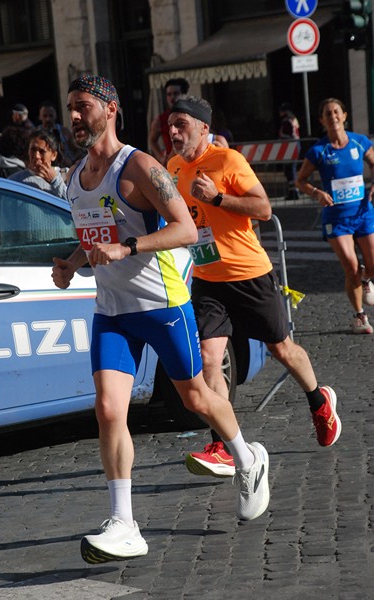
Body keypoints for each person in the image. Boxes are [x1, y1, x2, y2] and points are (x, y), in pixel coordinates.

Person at [51, 75, 270, 563]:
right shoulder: (73, 178)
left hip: (162, 306)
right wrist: (72, 262)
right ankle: (124, 522)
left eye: (82, 107)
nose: (74, 117)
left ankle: (246, 456)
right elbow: (96, 238)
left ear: (110, 110)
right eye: (69, 108)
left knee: (195, 397)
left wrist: (127, 247)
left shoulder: (143, 167)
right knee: (109, 410)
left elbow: (188, 229)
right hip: (112, 313)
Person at [167, 95, 341, 479]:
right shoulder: (174, 166)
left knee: (281, 348)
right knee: (211, 358)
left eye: (181, 124)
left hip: (248, 274)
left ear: (203, 129)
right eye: (171, 124)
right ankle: (223, 445)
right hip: (207, 278)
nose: (173, 131)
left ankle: (318, 400)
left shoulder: (228, 161)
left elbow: (263, 209)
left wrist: (217, 197)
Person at [296, 97, 374, 334]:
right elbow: (300, 180)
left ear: (344, 115)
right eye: (328, 113)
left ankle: (366, 279)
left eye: (336, 112)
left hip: (363, 213)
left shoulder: (359, 142)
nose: (333, 116)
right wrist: (317, 192)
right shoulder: (319, 150)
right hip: (336, 218)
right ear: (322, 120)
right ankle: (360, 317)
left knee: (371, 266)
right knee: (350, 266)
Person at [9, 129, 67, 199]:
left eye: (42, 151)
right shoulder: (15, 181)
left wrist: (55, 181)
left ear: (53, 155)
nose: (36, 156)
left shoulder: (67, 176)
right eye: (33, 150)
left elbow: (76, 205)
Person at [148, 77, 189, 166]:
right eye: (169, 94)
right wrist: (160, 157)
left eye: (176, 93)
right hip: (172, 164)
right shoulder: (160, 119)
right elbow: (151, 140)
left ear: (184, 94)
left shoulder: (192, 116)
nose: (172, 98)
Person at [38, 100, 84, 167]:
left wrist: (75, 163)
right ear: (40, 117)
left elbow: (77, 150)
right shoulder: (37, 133)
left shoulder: (64, 131)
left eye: (51, 116)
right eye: (45, 116)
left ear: (55, 116)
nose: (48, 119)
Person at [278, 102, 300, 200]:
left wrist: (280, 140)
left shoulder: (286, 121)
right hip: (295, 145)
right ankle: (294, 191)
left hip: (289, 146)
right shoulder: (293, 119)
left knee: (289, 170)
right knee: (292, 169)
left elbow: (287, 134)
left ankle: (293, 192)